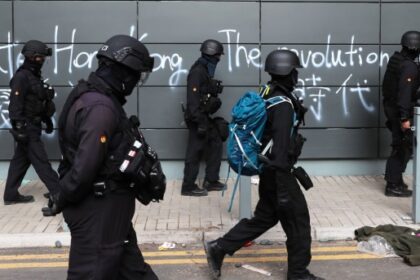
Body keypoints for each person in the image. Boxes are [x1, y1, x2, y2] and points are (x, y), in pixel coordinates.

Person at [42, 35, 162, 279]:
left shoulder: (93, 96)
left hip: (109, 210)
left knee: (133, 271)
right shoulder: (101, 108)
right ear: (124, 71)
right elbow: (85, 167)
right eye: (136, 74)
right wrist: (62, 196)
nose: (135, 81)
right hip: (98, 211)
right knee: (91, 272)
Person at [204, 50, 324, 280]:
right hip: (279, 173)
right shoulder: (283, 104)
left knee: (265, 218)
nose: (297, 75)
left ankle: (219, 247)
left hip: (267, 170)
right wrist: (286, 174)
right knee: (299, 223)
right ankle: (298, 274)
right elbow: (280, 145)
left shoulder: (267, 93)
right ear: (286, 71)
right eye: (295, 70)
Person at [4, 40, 59, 205]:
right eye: (40, 57)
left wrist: (47, 120)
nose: (42, 60)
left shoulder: (34, 76)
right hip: (27, 129)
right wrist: (19, 128)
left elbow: (36, 103)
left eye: (43, 57)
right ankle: (58, 192)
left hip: (33, 125)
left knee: (19, 162)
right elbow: (15, 104)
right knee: (41, 161)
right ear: (31, 57)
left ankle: (10, 195)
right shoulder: (21, 77)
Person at [181, 39, 227, 196]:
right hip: (196, 118)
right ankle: (188, 186)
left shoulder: (205, 71)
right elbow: (192, 101)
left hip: (203, 116)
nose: (219, 59)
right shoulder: (197, 72)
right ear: (211, 54)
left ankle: (211, 180)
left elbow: (203, 95)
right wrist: (199, 122)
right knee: (194, 151)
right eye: (218, 56)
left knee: (216, 141)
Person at [382, 30, 420, 197]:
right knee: (402, 147)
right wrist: (405, 118)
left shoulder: (396, 59)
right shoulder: (408, 66)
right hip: (399, 112)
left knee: (399, 145)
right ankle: (392, 185)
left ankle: (396, 180)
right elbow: (404, 93)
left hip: (391, 108)